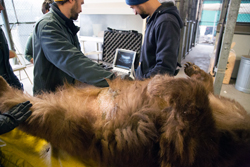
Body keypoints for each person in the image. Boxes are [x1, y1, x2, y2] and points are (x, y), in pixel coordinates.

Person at [32, 0, 115, 95]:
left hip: (65, 93)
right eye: (81, 3)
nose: (81, 10)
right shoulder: (48, 26)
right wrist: (114, 80)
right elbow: (72, 61)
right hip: (49, 99)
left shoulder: (66, 24)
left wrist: (101, 70)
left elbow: (78, 56)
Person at [125, 0, 183, 80]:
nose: (135, 13)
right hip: (144, 84)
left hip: (150, 88)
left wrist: (141, 85)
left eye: (133, 8)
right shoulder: (154, 18)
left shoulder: (166, 22)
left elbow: (164, 69)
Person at [0, 2, 23, 90]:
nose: (2, 8)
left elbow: (5, 64)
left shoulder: (0, 31)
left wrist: (17, 85)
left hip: (10, 81)